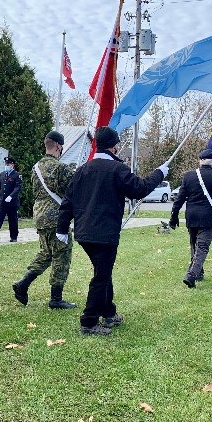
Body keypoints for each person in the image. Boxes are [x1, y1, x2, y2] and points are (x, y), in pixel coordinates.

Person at [57, 126, 169, 336]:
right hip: (105, 234)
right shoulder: (118, 170)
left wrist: (62, 228)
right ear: (115, 147)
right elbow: (140, 189)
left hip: (83, 233)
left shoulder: (82, 169)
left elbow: (68, 201)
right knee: (101, 276)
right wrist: (159, 173)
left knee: (103, 272)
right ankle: (89, 322)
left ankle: (109, 312)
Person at [12, 130, 77, 309]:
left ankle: (23, 284)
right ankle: (56, 299)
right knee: (61, 255)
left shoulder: (36, 167)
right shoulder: (60, 168)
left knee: (46, 253)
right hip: (57, 217)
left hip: (40, 216)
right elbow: (71, 192)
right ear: (58, 146)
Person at [170, 149, 212, 287]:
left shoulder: (188, 176)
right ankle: (191, 274)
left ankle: (199, 272)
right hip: (208, 216)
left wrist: (173, 216)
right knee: (203, 247)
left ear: (200, 160)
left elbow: (179, 198)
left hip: (191, 216)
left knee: (195, 245)